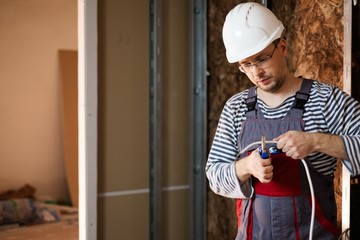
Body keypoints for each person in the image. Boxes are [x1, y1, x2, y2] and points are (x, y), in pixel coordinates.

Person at [205, 2, 360, 240]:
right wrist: (247, 166)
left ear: (283, 47)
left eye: (262, 58)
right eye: (247, 64)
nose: (257, 72)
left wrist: (316, 141)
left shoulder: (326, 100)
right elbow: (215, 175)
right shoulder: (236, 108)